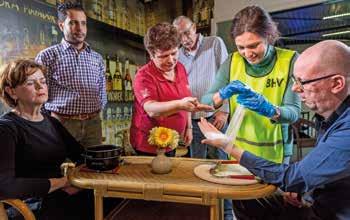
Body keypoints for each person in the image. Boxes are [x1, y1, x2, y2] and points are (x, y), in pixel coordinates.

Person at [198, 40, 350, 220]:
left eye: (303, 82)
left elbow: (292, 178)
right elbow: (324, 169)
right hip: (317, 200)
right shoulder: (333, 118)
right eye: (294, 80)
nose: (295, 88)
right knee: (246, 198)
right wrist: (306, 192)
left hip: (331, 214)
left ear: (337, 84)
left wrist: (228, 145)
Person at [201, 5, 301, 164]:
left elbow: (294, 112)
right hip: (236, 149)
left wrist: (270, 110)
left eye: (254, 45)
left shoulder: (289, 61)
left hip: (275, 151)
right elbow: (205, 101)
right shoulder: (232, 61)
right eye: (241, 47)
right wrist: (222, 94)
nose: (247, 54)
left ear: (268, 36)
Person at [0, 59, 92, 219]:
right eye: (30, 83)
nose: (40, 86)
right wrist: (63, 182)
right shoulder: (6, 128)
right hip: (27, 205)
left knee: (115, 198)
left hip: (58, 195)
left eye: (42, 81)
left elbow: (82, 156)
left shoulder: (52, 122)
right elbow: (5, 186)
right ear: (11, 91)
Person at [130, 22, 213, 156]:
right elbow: (151, 109)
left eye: (174, 53)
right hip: (148, 144)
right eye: (163, 56)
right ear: (151, 55)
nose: (171, 60)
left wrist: (189, 127)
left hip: (171, 140)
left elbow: (186, 98)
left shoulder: (180, 68)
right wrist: (180, 104)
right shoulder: (144, 76)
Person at [35, 2, 106, 148]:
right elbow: (38, 95)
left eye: (83, 23)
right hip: (62, 124)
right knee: (63, 167)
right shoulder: (47, 56)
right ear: (61, 25)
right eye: (73, 23)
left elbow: (102, 92)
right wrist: (52, 122)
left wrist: (96, 114)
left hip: (93, 125)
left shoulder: (96, 58)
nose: (80, 28)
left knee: (94, 168)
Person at [173, 16, 229, 160]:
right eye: (179, 36)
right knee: (197, 162)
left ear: (194, 28)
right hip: (193, 119)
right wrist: (186, 122)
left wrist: (224, 111)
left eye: (186, 33)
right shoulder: (177, 56)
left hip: (215, 114)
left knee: (220, 159)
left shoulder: (214, 43)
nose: (184, 39)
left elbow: (227, 77)